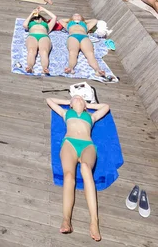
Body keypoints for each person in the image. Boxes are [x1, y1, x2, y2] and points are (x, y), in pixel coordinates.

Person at [46, 96, 110, 241]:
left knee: (86, 169)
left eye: (81, 99)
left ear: (86, 106)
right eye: (75, 99)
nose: (79, 99)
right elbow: (49, 100)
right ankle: (66, 219)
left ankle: (94, 221)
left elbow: (106, 107)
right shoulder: (66, 113)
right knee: (69, 176)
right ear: (71, 105)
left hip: (87, 145)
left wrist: (88, 104)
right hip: (70, 143)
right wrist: (67, 102)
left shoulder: (91, 116)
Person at [23, 6, 57, 73]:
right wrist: (32, 13)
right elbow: (24, 25)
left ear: (43, 19)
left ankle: (44, 68)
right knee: (31, 51)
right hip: (32, 36)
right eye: (35, 18)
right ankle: (30, 67)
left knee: (44, 52)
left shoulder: (47, 25)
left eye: (39, 17)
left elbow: (54, 17)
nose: (37, 19)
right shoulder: (30, 24)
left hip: (44, 36)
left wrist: (43, 9)